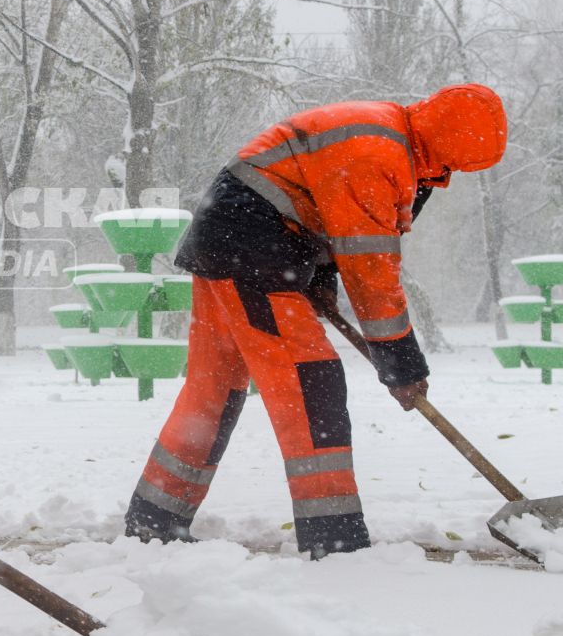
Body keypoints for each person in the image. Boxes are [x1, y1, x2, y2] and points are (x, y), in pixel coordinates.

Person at [124, 84, 507, 558]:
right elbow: (372, 274)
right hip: (254, 251)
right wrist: (402, 364)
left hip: (228, 240)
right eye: (452, 166)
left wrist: (320, 277)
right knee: (311, 381)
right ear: (444, 146)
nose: (448, 176)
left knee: (215, 389)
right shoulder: (378, 154)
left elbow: (319, 204)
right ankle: (334, 536)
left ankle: (153, 518)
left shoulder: (387, 132)